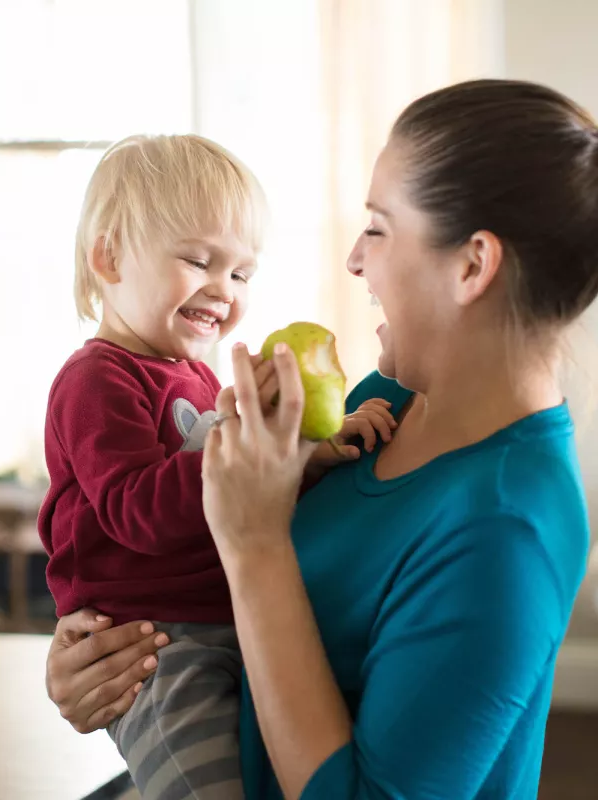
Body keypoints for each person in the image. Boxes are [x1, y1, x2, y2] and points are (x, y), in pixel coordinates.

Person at [45, 79, 597, 799]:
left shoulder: (506, 530)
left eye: (377, 227)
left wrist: (255, 545)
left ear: (471, 266)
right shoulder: (383, 404)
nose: (354, 262)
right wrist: (95, 662)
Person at [38, 133, 394, 799]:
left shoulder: (197, 376)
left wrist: (309, 447)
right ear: (109, 257)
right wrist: (246, 433)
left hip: (232, 623)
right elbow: (136, 512)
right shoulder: (97, 380)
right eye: (199, 261)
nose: (222, 290)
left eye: (241, 274)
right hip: (158, 649)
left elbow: (247, 488)